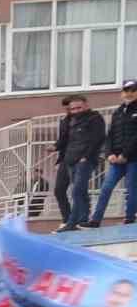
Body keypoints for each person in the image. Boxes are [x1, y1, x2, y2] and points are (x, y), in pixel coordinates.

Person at [88, 79, 137, 228]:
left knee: (131, 189)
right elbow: (110, 135)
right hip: (115, 160)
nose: (129, 94)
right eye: (126, 91)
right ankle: (95, 220)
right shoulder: (117, 112)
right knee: (106, 188)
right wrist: (109, 153)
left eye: (133, 90)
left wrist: (125, 155)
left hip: (133, 158)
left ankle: (129, 219)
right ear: (121, 93)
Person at [54, 94, 107, 232]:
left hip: (84, 160)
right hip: (69, 159)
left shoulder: (94, 118)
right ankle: (78, 221)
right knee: (75, 191)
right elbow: (66, 141)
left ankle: (73, 222)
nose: (75, 111)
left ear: (86, 105)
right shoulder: (69, 121)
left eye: (78, 107)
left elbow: (98, 138)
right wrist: (56, 148)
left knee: (77, 190)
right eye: (72, 109)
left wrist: (86, 156)